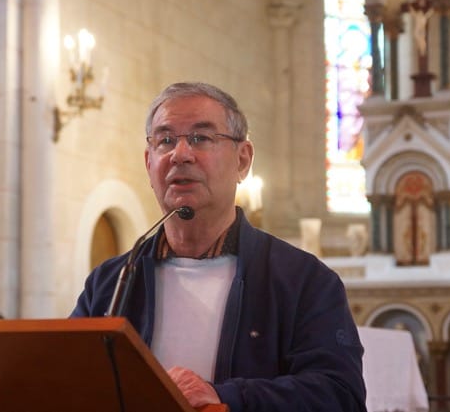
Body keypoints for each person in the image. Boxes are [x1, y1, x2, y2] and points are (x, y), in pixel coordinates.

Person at [71, 82, 366, 411]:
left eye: (201, 138)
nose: (180, 154)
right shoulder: (110, 282)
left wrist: (227, 398)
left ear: (243, 160)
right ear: (148, 163)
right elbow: (65, 379)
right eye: (165, 140)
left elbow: (340, 395)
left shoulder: (304, 280)